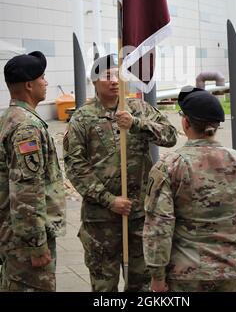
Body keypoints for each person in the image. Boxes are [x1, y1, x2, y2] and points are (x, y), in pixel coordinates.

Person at [143, 86, 236, 292]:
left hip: (185, 275)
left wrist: (157, 276)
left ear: (185, 122)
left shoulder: (168, 166)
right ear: (216, 126)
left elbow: (159, 225)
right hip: (235, 271)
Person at [63, 54, 177, 292]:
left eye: (118, 74)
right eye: (107, 75)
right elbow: (75, 166)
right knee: (104, 285)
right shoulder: (82, 118)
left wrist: (137, 123)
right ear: (94, 81)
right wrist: (109, 200)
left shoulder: (137, 108)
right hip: (101, 218)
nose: (114, 80)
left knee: (142, 284)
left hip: (139, 215)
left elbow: (170, 135)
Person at [0, 51, 66, 292]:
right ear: (29, 85)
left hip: (12, 233)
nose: (46, 82)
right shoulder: (27, 126)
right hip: (24, 242)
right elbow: (26, 191)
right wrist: (36, 245)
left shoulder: (10, 118)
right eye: (42, 77)